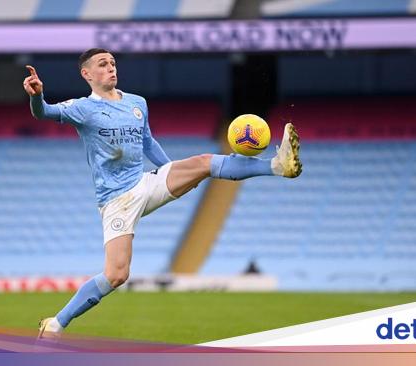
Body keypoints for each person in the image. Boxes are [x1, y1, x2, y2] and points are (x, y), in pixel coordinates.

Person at [23, 48, 302, 340]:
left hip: (145, 182)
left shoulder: (136, 103)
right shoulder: (82, 108)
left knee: (204, 162)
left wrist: (174, 173)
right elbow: (44, 112)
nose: (111, 68)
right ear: (87, 74)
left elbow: (148, 143)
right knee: (116, 274)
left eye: (113, 63)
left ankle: (278, 165)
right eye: (103, 64)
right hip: (116, 200)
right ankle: (55, 323)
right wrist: (36, 96)